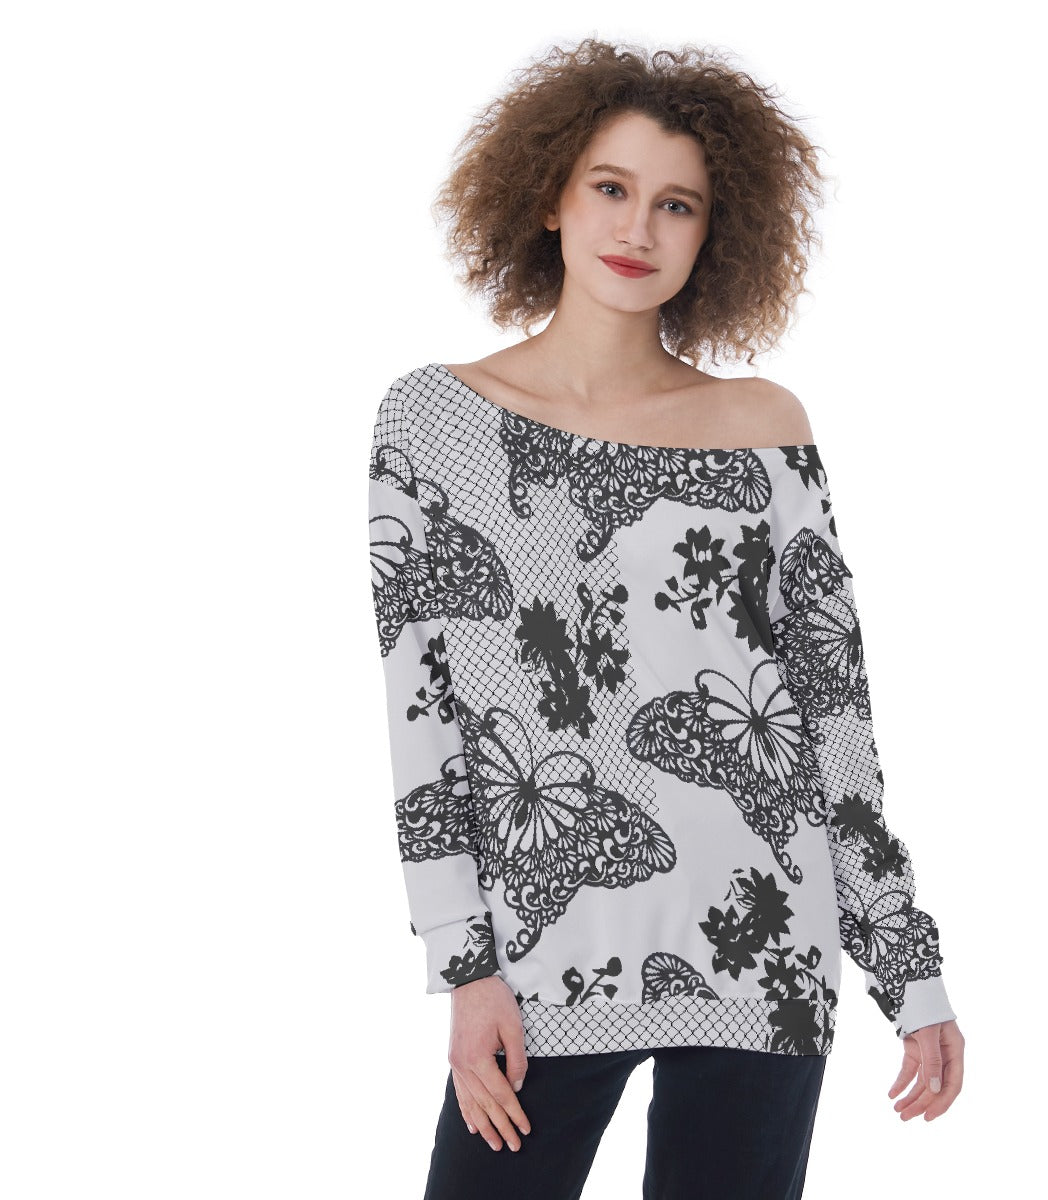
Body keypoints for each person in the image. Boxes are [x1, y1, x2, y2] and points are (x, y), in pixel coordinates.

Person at [368, 37, 965, 1200]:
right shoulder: (435, 418)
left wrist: (908, 966)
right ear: (550, 195)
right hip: (544, 954)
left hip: (766, 946)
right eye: (611, 187)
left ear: (713, 234)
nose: (638, 228)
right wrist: (464, 966)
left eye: (676, 204)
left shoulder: (763, 424)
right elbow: (422, 710)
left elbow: (833, 714)